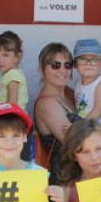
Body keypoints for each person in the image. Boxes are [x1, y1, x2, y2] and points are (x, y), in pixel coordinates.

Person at [31, 43, 81, 184]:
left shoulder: (71, 93)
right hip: (64, 180)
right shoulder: (46, 104)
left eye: (67, 65)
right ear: (42, 69)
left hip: (83, 175)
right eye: (55, 65)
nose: (62, 70)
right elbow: (75, 143)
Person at [71, 39, 101, 139]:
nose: (88, 63)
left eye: (94, 59)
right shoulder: (77, 83)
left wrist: (78, 129)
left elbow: (98, 110)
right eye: (82, 59)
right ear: (75, 64)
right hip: (89, 127)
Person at [0, 31, 28, 109]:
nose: (0, 60)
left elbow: (11, 104)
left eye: (6, 55)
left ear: (17, 57)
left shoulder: (13, 75)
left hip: (9, 119)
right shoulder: (8, 75)